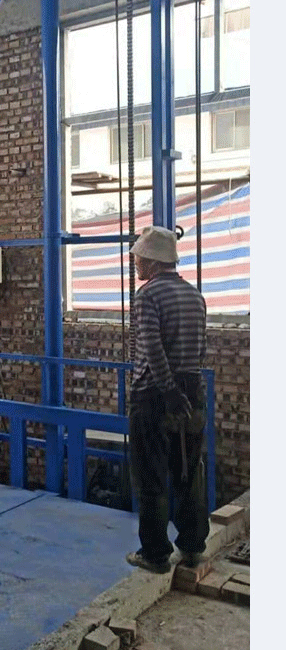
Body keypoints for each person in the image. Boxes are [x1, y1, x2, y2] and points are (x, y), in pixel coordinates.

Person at [125, 226, 209, 574]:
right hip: (193, 392)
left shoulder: (147, 296)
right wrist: (183, 390)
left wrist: (169, 390)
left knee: (151, 475)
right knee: (188, 471)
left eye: (138, 258)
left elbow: (152, 348)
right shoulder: (195, 295)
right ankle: (192, 546)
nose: (135, 264)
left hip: (155, 396)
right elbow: (200, 349)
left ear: (153, 261)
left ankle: (155, 553)